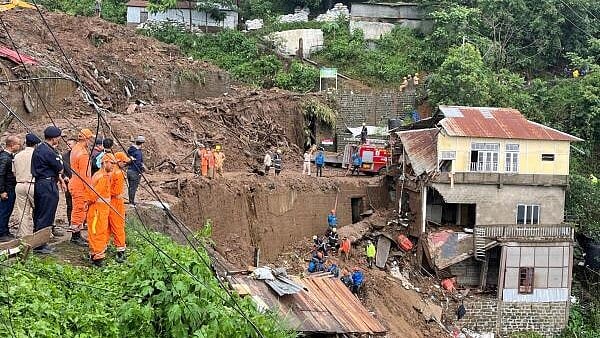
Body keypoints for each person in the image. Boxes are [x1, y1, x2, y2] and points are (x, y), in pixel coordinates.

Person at [31, 126, 66, 254]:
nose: (59, 139)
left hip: (39, 183)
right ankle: (40, 245)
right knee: (46, 213)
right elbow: (60, 168)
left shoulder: (38, 148)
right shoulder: (49, 151)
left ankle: (38, 240)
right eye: (58, 137)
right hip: (48, 184)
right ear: (54, 138)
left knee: (40, 212)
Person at [86, 153, 115, 267]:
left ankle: (96, 253)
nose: (113, 166)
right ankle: (97, 257)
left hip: (101, 210)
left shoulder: (103, 175)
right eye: (112, 163)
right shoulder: (102, 177)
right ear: (105, 163)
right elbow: (94, 195)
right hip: (97, 210)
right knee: (97, 232)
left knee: (100, 231)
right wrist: (87, 203)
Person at [69, 128, 95, 246]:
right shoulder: (83, 153)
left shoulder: (75, 149)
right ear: (87, 139)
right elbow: (85, 175)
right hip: (80, 185)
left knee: (77, 208)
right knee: (79, 209)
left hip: (75, 181)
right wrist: (90, 189)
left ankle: (77, 234)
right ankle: (75, 236)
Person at [13, 133, 40, 238]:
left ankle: (24, 236)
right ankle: (38, 233)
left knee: (22, 212)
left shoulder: (17, 155)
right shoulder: (37, 154)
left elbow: (14, 172)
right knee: (38, 210)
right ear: (36, 144)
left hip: (19, 185)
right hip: (33, 184)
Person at [0, 136, 21, 242]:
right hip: (7, 189)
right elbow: (1, 174)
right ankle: (1, 233)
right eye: (18, 144)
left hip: (11, 187)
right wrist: (2, 191)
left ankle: (5, 230)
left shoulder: (9, 156)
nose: (19, 146)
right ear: (12, 145)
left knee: (8, 211)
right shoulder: (4, 157)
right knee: (4, 210)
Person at [109, 152, 128, 263]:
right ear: (118, 161)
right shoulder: (118, 173)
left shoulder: (109, 171)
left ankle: (101, 249)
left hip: (108, 201)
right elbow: (115, 191)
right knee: (118, 226)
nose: (125, 164)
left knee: (106, 227)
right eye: (124, 162)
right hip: (116, 201)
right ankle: (120, 251)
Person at [62, 138, 77, 229]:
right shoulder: (64, 156)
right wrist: (64, 177)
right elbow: (61, 169)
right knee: (69, 203)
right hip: (69, 183)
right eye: (67, 144)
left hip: (79, 183)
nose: (68, 146)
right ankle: (70, 222)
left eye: (70, 144)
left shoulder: (80, 155)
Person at [127, 135, 145, 206]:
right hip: (135, 172)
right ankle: (131, 202)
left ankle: (130, 201)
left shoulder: (131, 150)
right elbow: (138, 163)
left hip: (129, 170)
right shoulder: (138, 153)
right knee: (133, 187)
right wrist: (142, 169)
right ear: (142, 143)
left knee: (130, 187)